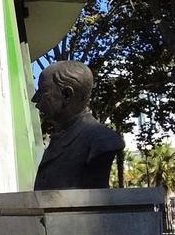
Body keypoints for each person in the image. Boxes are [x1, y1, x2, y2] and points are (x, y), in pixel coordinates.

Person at [31, 60, 124, 190]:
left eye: (43, 90)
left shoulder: (102, 140)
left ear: (67, 94)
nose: (35, 99)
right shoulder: (58, 137)